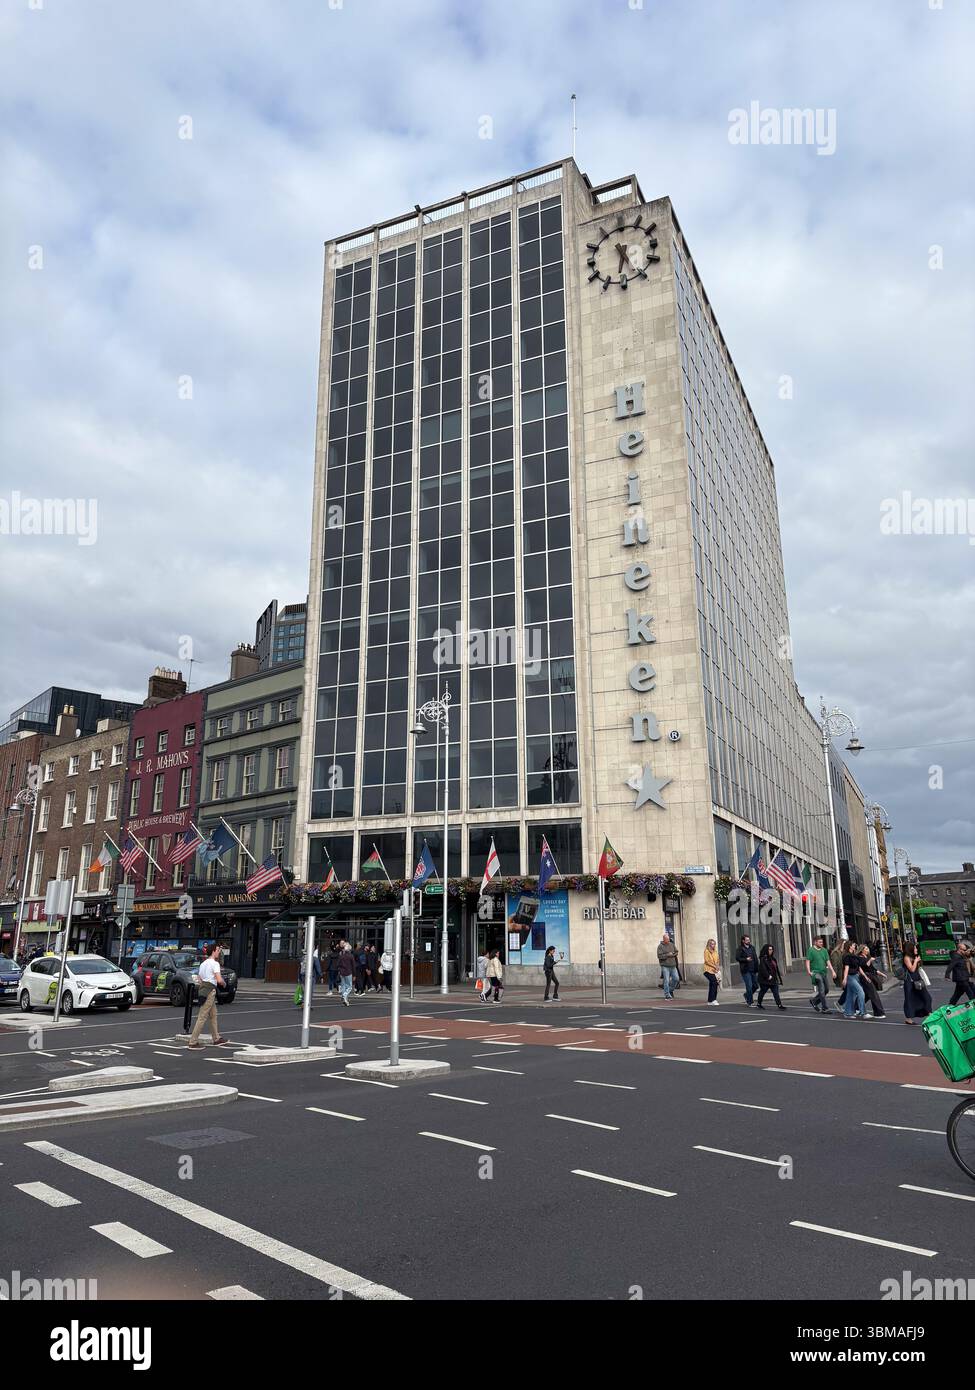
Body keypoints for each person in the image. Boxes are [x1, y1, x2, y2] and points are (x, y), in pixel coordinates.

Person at [187, 944, 228, 1048]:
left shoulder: (203, 963)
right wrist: (223, 983)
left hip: (203, 989)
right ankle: (193, 1042)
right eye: (218, 950)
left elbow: (199, 978)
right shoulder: (215, 964)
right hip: (210, 991)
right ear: (213, 951)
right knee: (202, 1016)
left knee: (213, 1015)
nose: (219, 952)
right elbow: (218, 980)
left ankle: (216, 1038)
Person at [902, 947, 932, 1024]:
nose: (916, 950)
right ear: (910, 949)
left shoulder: (914, 957)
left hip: (918, 979)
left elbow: (918, 968)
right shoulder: (906, 957)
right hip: (910, 981)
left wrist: (917, 960)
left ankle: (929, 1013)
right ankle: (908, 1018)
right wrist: (915, 961)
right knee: (910, 999)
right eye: (915, 948)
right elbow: (911, 969)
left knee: (927, 997)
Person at [805, 935, 834, 1014]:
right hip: (815, 973)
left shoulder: (824, 950)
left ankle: (814, 1001)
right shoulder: (811, 950)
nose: (821, 943)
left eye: (822, 942)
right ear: (815, 942)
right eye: (820, 942)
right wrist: (809, 972)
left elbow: (828, 961)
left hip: (823, 973)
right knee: (821, 990)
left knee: (826, 990)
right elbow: (807, 961)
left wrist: (833, 971)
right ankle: (825, 1008)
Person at [858, 944, 886, 1018]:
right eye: (866, 949)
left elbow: (872, 968)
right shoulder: (859, 958)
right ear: (862, 950)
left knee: (867, 995)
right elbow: (865, 966)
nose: (868, 950)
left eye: (868, 949)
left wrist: (881, 974)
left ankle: (856, 1007)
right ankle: (878, 1013)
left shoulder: (867, 957)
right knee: (873, 994)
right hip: (865, 977)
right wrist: (870, 960)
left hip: (870, 976)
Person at [839, 945, 867, 1019]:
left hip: (856, 976)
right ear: (850, 946)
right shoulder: (847, 956)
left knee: (850, 995)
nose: (855, 946)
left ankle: (848, 1013)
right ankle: (863, 1012)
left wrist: (865, 976)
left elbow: (859, 967)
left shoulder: (854, 955)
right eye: (854, 945)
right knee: (861, 992)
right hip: (850, 977)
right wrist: (845, 978)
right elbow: (846, 968)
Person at [756, 943, 786, 1010]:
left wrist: (779, 979)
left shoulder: (773, 959)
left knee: (776, 992)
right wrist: (768, 976)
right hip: (765, 980)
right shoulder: (763, 959)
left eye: (772, 949)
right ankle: (759, 1003)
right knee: (763, 991)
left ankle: (779, 1005)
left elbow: (776, 969)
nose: (771, 951)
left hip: (773, 979)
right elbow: (763, 969)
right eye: (769, 949)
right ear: (766, 950)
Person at [736, 935, 759, 1006]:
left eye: (749, 940)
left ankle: (746, 995)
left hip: (753, 969)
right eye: (747, 940)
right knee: (749, 985)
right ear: (743, 941)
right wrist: (746, 959)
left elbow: (755, 958)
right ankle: (750, 1002)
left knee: (755, 986)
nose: (748, 941)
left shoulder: (752, 948)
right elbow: (737, 958)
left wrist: (757, 967)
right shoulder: (740, 949)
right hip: (746, 970)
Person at [657, 931, 680, 1000]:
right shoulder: (660, 946)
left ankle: (670, 990)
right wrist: (667, 955)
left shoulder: (671, 944)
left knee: (676, 979)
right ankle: (667, 995)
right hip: (665, 966)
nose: (668, 940)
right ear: (664, 939)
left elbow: (676, 952)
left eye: (669, 939)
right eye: (667, 939)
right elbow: (659, 956)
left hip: (673, 965)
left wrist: (672, 954)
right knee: (666, 980)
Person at [337, 939, 355, 1007]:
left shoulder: (341, 956)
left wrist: (340, 970)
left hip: (342, 972)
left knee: (343, 985)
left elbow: (338, 964)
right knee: (349, 987)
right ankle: (344, 996)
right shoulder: (351, 956)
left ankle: (345, 998)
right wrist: (354, 974)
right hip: (348, 972)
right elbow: (353, 966)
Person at [703, 938, 720, 1005]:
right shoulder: (706, 951)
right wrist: (714, 966)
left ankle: (710, 1001)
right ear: (709, 944)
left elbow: (718, 960)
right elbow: (706, 961)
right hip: (707, 970)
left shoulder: (715, 952)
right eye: (712, 944)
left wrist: (717, 967)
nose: (713, 945)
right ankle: (713, 999)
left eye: (714, 944)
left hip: (714, 970)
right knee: (714, 982)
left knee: (713, 984)